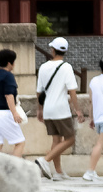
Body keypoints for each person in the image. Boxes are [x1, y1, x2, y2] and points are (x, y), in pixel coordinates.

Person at [35, 37, 84, 180]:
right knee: (70, 139)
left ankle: (58, 172)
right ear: (65, 51)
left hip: (48, 109)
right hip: (61, 109)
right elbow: (72, 92)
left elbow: (39, 91)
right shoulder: (67, 67)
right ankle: (45, 160)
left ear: (52, 49)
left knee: (56, 140)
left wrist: (40, 109)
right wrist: (78, 110)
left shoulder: (43, 67)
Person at [0, 48, 26, 159]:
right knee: (20, 143)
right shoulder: (8, 76)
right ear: (9, 63)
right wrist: (15, 113)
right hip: (4, 114)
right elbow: (9, 95)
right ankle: (14, 172)